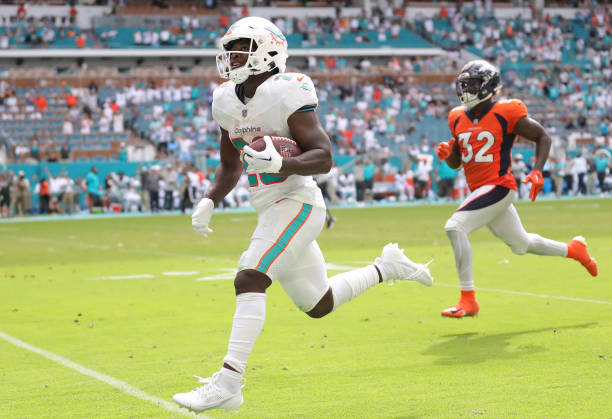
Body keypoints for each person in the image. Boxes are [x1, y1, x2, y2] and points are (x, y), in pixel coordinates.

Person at [172, 16, 434, 413]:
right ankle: (387, 268)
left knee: (250, 276)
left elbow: (324, 157)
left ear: (266, 50)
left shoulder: (287, 90)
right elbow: (230, 165)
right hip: (270, 208)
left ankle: (228, 383)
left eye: (241, 47)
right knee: (319, 303)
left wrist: (281, 163)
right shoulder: (225, 99)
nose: (231, 56)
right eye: (229, 49)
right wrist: (210, 199)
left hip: (298, 201)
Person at [436, 60, 598, 318]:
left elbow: (542, 136)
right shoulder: (456, 116)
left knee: (455, 227)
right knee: (521, 244)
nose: (467, 89)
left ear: (488, 86)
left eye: (473, 84)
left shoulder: (506, 111)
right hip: (482, 190)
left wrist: (537, 170)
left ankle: (468, 300)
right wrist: (448, 155)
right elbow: (458, 163)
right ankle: (574, 250)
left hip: (499, 185)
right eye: (464, 84)